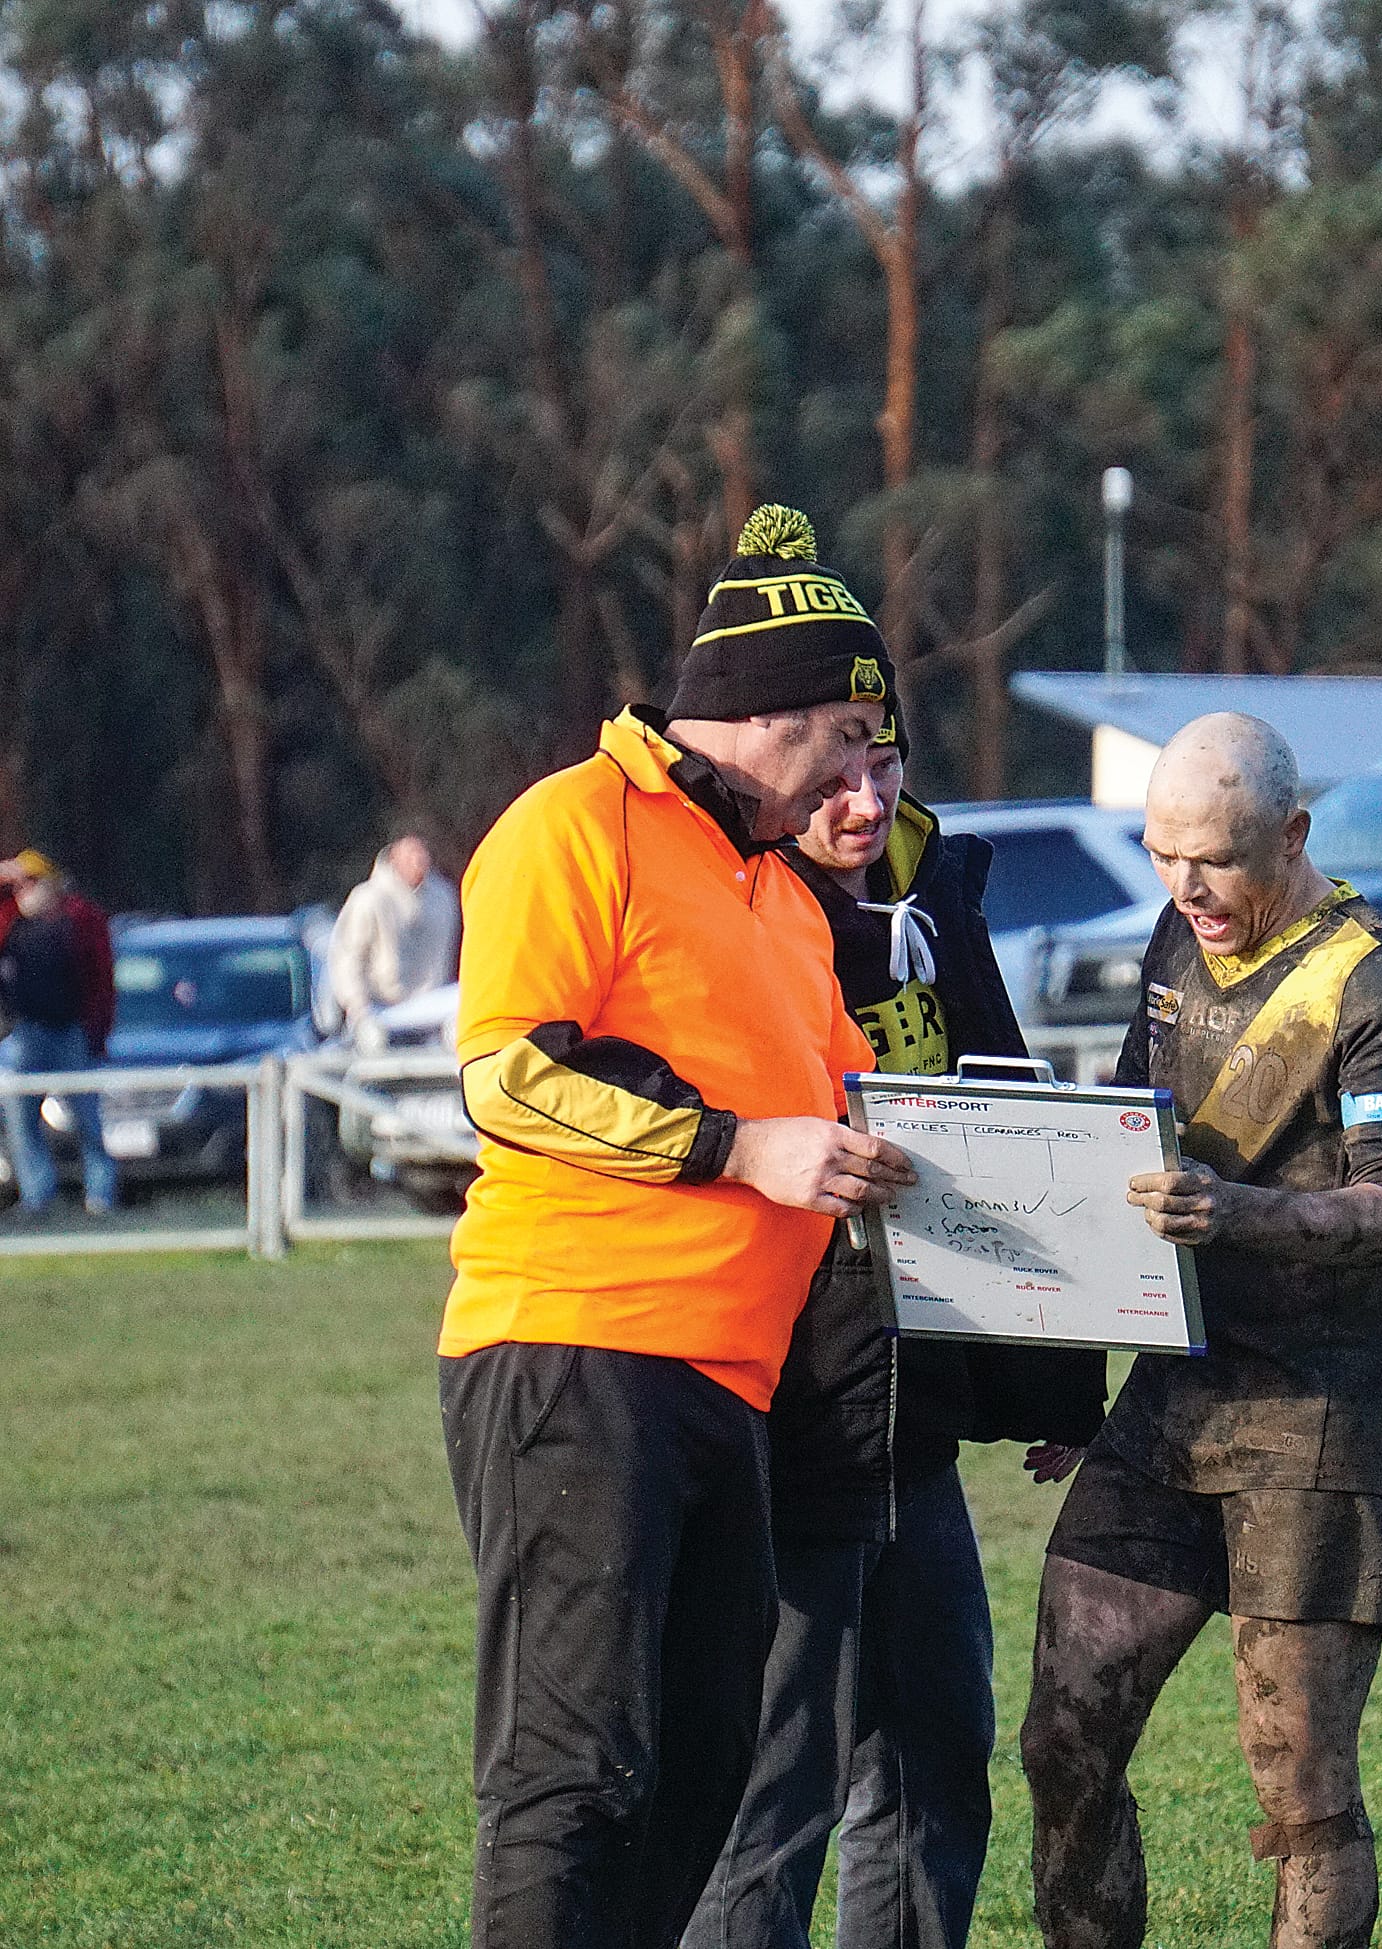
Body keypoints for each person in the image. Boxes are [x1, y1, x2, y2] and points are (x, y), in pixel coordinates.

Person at [437, 504, 918, 1949]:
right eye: (844, 736)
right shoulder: (572, 822)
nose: (860, 775)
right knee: (572, 1772)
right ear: (767, 718)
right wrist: (737, 1147)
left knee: (704, 1771)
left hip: (731, 1385)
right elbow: (508, 1073)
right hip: (577, 1348)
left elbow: (857, 1101)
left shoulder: (777, 890)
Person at [1019, 713, 1382, 1949]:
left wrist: (1234, 1210)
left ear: (1293, 833)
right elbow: (1123, 1135)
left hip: (1320, 1417)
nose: (1185, 888)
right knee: (1063, 1741)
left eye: (1212, 858)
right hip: (1170, 1401)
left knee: (1298, 1785)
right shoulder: (1171, 935)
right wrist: (1074, 1379)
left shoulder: (1378, 979)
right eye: (1161, 854)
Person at [686, 711, 1107, 1949]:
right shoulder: (729, 910)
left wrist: (1049, 1379)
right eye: (829, 776)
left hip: (907, 1419)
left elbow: (1004, 1127)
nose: (861, 801)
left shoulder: (943, 901)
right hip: (781, 1407)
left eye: (884, 767)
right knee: (775, 1786)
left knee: (933, 1755)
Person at [0, 850, 118, 1217]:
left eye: (31, 881)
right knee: (20, 1121)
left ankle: (100, 1196)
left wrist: (96, 1034)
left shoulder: (80, 920)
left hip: (70, 1033)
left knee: (87, 1120)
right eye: (19, 883)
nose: (24, 890)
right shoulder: (11, 922)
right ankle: (38, 1197)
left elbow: (101, 981)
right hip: (23, 1035)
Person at [327, 833, 460, 1041]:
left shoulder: (443, 897)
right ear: (394, 858)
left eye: (421, 853)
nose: (418, 861)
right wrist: (358, 1008)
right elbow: (348, 956)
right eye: (410, 855)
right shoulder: (368, 899)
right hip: (381, 1010)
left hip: (433, 1008)